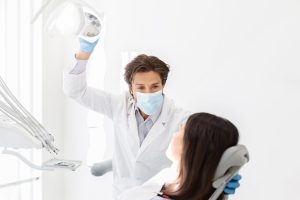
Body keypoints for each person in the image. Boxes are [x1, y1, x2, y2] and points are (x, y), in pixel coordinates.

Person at [62, 38, 240, 198]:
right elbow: (76, 91)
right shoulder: (118, 105)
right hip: (123, 191)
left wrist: (222, 173)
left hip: (158, 191)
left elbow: (208, 140)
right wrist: (83, 53)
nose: (148, 92)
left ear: (163, 85)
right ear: (131, 89)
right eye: (141, 87)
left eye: (155, 86)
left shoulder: (180, 120)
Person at [118, 112, 242, 200]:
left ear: (191, 147)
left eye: (180, 130)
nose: (174, 134)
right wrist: (219, 175)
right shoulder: (173, 178)